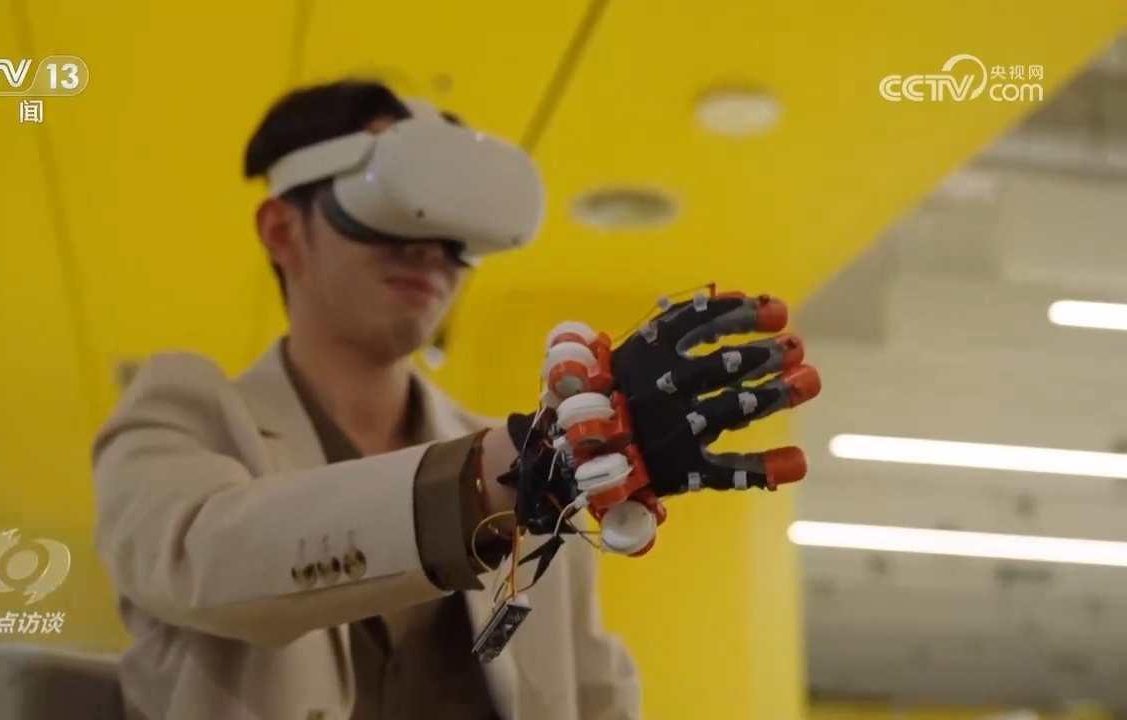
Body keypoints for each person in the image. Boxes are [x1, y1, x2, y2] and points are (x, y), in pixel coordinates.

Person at [92, 78, 818, 720]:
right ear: (283, 229)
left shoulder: (562, 456)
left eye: (455, 223)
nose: (431, 248)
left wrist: (537, 464)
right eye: (394, 200)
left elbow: (597, 695)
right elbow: (204, 556)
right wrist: (513, 471)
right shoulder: (185, 415)